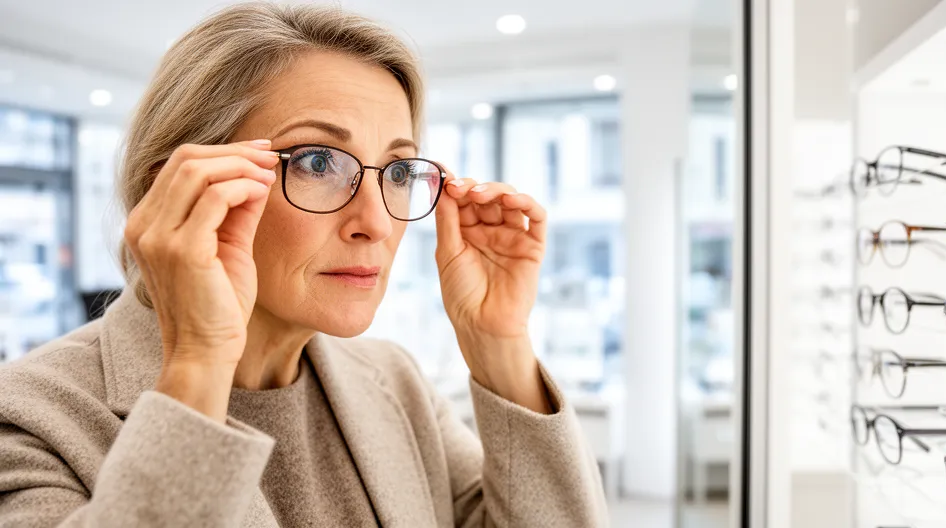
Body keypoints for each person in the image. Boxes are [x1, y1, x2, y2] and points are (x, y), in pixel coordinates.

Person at [0, 3, 608, 526]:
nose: (376, 221)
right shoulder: (32, 417)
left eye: (397, 171)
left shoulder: (395, 382)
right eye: (319, 163)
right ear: (184, 189)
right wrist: (199, 362)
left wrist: (498, 344)